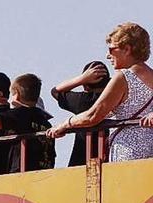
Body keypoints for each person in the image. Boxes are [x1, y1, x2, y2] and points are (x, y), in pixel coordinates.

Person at [48, 22, 153, 162]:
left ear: (127, 49)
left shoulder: (124, 77)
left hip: (128, 152)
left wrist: (65, 124)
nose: (108, 55)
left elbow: (93, 115)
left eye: (111, 49)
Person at [0, 74, 56, 172]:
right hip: (44, 171)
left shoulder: (18, 115)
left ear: (16, 94)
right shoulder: (45, 122)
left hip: (21, 172)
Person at [51, 62, 112, 166]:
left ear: (85, 86)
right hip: (112, 158)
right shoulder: (116, 99)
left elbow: (55, 91)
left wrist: (82, 79)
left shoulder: (81, 101)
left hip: (81, 160)